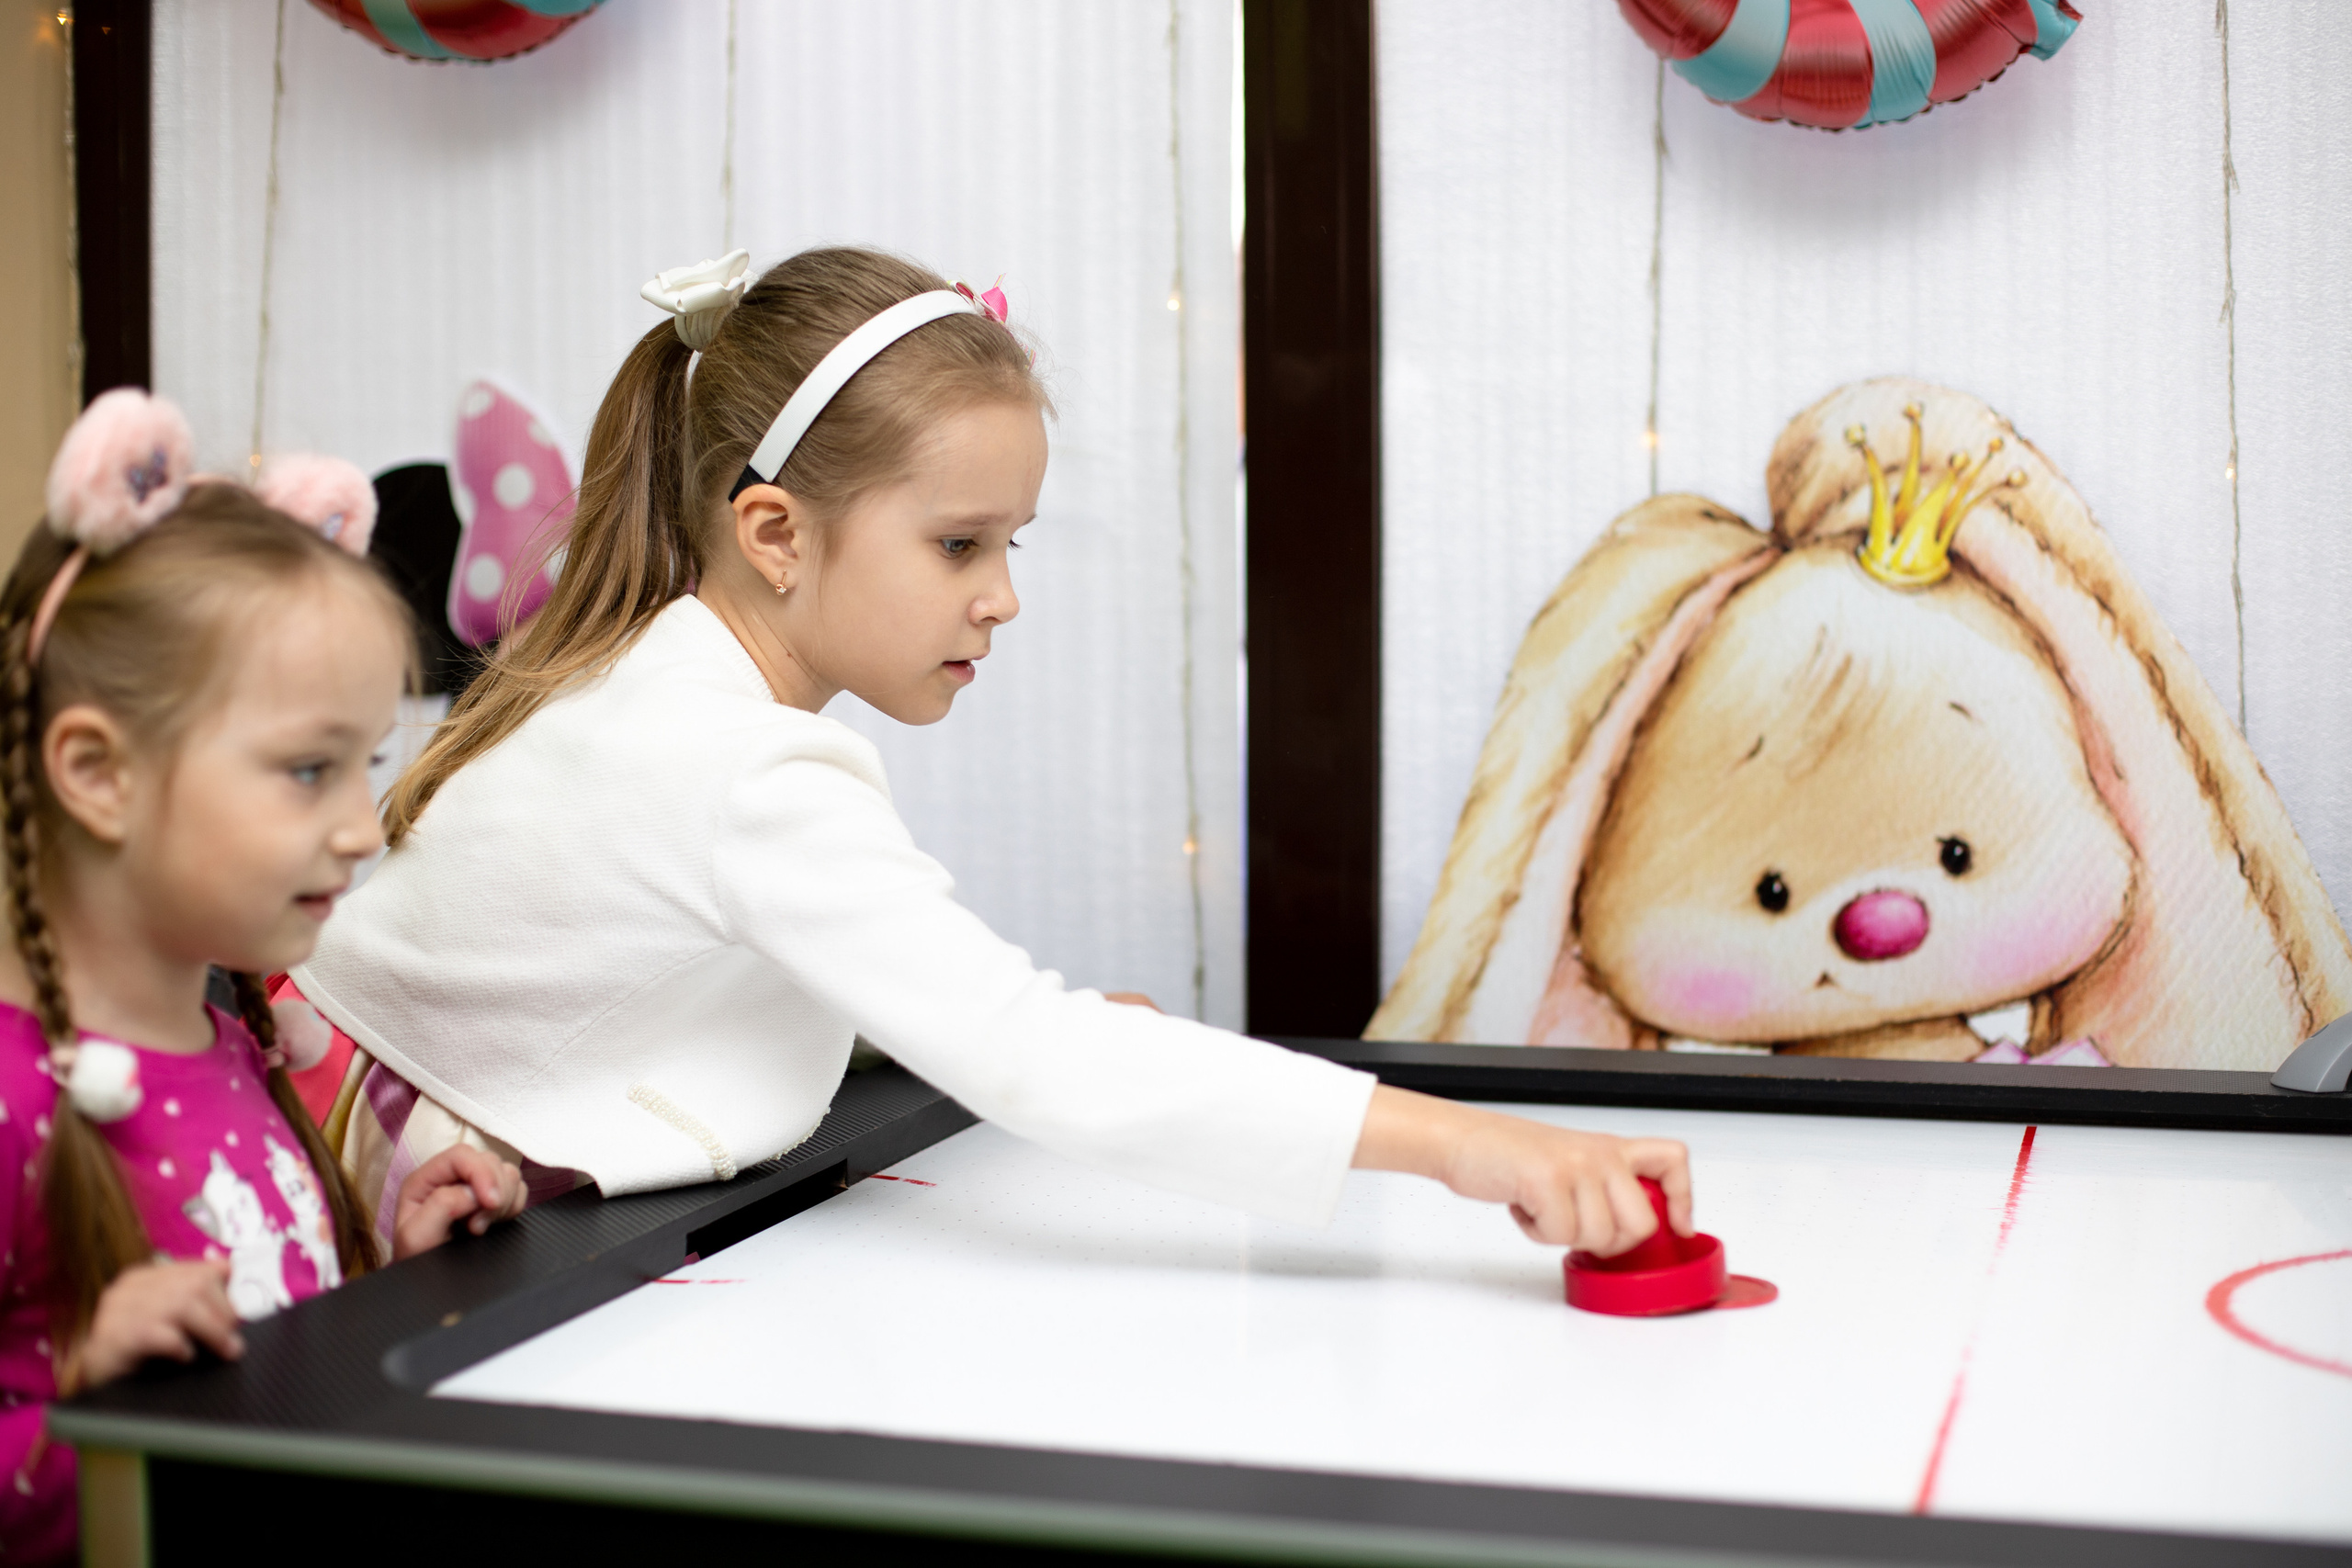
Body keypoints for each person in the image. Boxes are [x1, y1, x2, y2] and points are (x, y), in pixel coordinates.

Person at [289, 246, 1694, 1263]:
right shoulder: (744, 766)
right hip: (359, 1201)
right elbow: (1039, 1061)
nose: (1000, 594)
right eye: (959, 543)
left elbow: (755, 974)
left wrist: (1018, 1029)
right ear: (776, 534)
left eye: (1009, 544)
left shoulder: (645, 671)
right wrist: (1485, 1142)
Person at [0, 392, 526, 1561]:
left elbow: (264, 1361)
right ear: (96, 772)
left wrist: (394, 1273)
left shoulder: (232, 1044)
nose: (358, 827)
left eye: (367, 767)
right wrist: (77, 1413)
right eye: (306, 771)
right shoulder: (13, 1099)